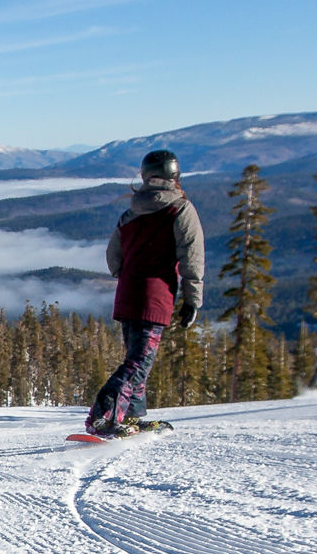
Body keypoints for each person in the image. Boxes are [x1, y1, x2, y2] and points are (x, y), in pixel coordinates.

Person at [86, 150, 204, 438]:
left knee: (136, 357)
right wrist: (192, 299)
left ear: (145, 176)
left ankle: (133, 415)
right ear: (175, 176)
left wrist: (129, 276)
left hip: (128, 295)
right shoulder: (179, 209)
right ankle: (104, 413)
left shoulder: (130, 213)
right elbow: (192, 256)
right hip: (156, 296)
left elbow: (113, 258)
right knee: (139, 363)